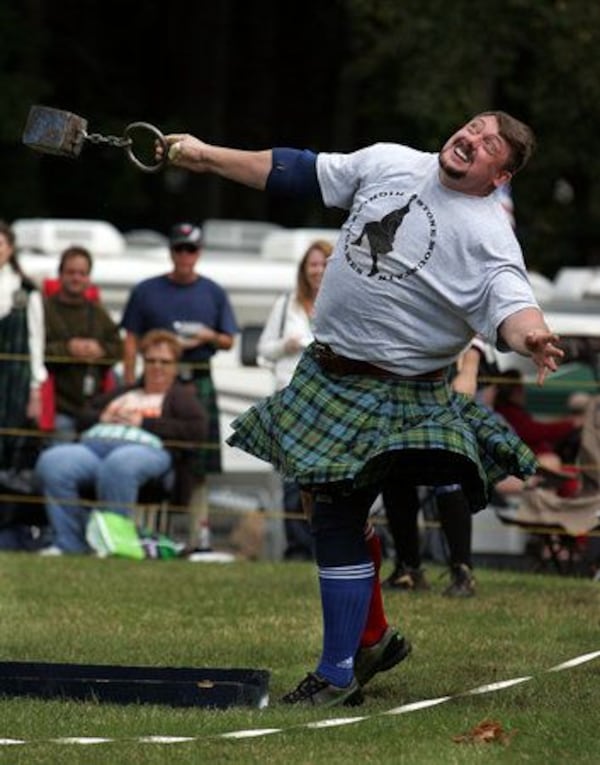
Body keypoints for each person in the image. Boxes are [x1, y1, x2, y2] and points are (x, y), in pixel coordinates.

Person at [159, 111, 563, 707]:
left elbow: (513, 301)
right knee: (317, 498)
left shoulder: (489, 236)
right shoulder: (390, 161)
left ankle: (338, 670)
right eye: (473, 129)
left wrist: (531, 336)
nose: (471, 141)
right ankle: (372, 636)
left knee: (335, 516)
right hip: (327, 370)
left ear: (497, 176)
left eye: (488, 147)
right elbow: (297, 170)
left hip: (397, 391)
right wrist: (204, 155)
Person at [35, 329, 206, 555]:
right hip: (94, 448)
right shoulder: (125, 391)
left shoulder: (180, 396)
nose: (157, 367)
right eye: (151, 360)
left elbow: (196, 429)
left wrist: (143, 422)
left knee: (119, 464)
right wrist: (101, 417)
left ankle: (113, 544)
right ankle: (70, 543)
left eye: (165, 362)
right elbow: (83, 416)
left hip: (146, 451)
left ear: (175, 366)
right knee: (52, 462)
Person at [120, 223, 238, 546]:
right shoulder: (146, 290)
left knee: (197, 463)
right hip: (155, 381)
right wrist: (130, 382)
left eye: (190, 249)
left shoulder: (213, 292)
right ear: (170, 252)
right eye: (178, 249)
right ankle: (145, 534)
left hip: (196, 378)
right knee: (147, 453)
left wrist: (208, 336)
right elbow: (130, 338)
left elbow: (229, 340)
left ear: (198, 253)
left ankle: (198, 537)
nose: (184, 256)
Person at [257, 239, 333, 560]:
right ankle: (298, 548)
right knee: (292, 478)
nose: (317, 270)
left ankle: (327, 546)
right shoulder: (286, 304)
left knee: (325, 478)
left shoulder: (342, 303)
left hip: (328, 400)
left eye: (323, 263)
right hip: (290, 397)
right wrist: (286, 346)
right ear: (304, 270)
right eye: (312, 264)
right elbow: (264, 349)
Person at [0, 220, 47, 549]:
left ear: (10, 248)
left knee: (10, 454)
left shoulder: (26, 290)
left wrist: (35, 389)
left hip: (14, 384)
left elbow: (36, 342)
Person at [43, 246, 123, 436]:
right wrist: (68, 349)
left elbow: (118, 347)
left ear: (89, 278)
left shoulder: (97, 312)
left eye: (82, 273)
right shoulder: (43, 309)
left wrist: (100, 350)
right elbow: (32, 351)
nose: (76, 278)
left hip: (93, 408)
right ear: (60, 275)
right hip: (56, 408)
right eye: (71, 272)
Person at [494, 368, 582, 463]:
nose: (523, 392)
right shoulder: (508, 413)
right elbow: (535, 432)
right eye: (520, 388)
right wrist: (570, 424)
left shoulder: (511, 411)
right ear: (514, 391)